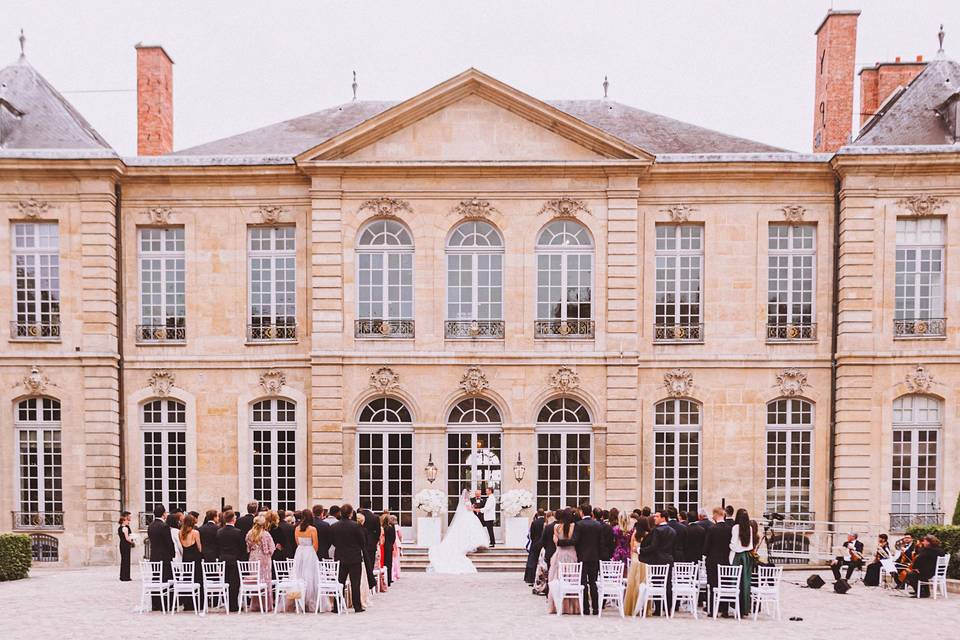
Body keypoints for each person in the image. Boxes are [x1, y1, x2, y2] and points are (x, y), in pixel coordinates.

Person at [427, 489, 489, 573]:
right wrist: (473, 508)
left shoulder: (466, 500)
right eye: (469, 493)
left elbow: (467, 508)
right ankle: (471, 543)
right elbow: (468, 509)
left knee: (469, 530)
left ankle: (474, 543)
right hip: (468, 516)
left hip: (468, 516)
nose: (470, 494)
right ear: (467, 495)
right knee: (469, 530)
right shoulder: (467, 500)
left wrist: (472, 507)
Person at [556, 503, 603, 615]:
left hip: (582, 557)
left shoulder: (579, 524)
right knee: (593, 583)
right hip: (594, 557)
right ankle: (595, 609)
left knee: (583, 584)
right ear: (591, 512)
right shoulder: (597, 525)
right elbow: (601, 543)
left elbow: (574, 541)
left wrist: (560, 542)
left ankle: (586, 609)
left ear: (582, 512)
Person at [638, 510, 676, 616]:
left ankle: (659, 608)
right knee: (667, 584)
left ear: (663, 518)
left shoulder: (657, 531)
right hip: (668, 559)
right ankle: (668, 608)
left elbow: (653, 547)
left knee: (657, 583)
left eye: (657, 516)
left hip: (658, 560)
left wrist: (640, 550)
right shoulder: (672, 531)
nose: (654, 518)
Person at [330, 504, 366, 612]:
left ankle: (337, 606)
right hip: (354, 557)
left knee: (339, 582)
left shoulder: (334, 526)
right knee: (355, 583)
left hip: (340, 556)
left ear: (341, 513)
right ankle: (357, 606)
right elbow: (362, 542)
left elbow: (332, 541)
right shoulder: (356, 526)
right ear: (351, 513)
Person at [547, 509, 580, 614]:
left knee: (558, 580)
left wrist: (559, 542)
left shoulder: (556, 527)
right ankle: (572, 607)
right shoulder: (574, 526)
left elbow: (556, 542)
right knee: (571, 580)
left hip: (559, 555)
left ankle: (557, 606)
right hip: (572, 555)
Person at [291, 509, 321, 612]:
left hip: (300, 552)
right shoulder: (312, 529)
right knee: (310, 576)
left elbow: (297, 543)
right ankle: (310, 600)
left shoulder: (297, 528)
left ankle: (299, 600)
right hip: (310, 552)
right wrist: (312, 554)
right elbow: (316, 545)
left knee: (299, 575)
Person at [703, 506, 731, 616]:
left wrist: (705, 553)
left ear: (716, 514)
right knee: (724, 583)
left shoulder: (712, 529)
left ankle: (712, 608)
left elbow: (706, 547)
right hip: (725, 559)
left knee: (713, 584)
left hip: (713, 560)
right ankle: (724, 609)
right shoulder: (729, 529)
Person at [216, 510, 246, 612]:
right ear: (233, 519)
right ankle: (233, 605)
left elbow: (218, 546)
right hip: (234, 559)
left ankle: (227, 603)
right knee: (235, 583)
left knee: (226, 582)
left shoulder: (219, 531)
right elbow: (242, 547)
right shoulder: (238, 532)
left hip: (223, 559)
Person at [245, 514, 276, 611]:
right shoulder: (266, 534)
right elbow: (272, 548)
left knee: (255, 579)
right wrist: (268, 554)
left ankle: (255, 604)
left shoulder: (249, 533)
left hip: (253, 557)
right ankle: (266, 605)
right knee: (265, 580)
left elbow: (248, 547)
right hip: (264, 558)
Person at [147, 505, 175, 611]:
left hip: (154, 556)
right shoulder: (164, 526)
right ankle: (165, 603)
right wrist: (172, 554)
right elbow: (169, 542)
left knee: (156, 578)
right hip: (164, 556)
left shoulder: (151, 526)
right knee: (166, 579)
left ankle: (155, 603)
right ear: (163, 514)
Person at [729, 508, 756, 615]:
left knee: (735, 582)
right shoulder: (749, 527)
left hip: (737, 556)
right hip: (747, 556)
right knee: (745, 582)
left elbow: (734, 544)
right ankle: (745, 607)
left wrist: (730, 546)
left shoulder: (736, 527)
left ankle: (736, 606)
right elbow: (750, 545)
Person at [624, 515, 650, 616]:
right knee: (644, 584)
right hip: (644, 560)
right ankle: (644, 608)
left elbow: (631, 547)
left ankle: (632, 607)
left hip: (635, 559)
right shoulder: (648, 534)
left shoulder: (635, 533)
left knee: (633, 584)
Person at [179, 513, 203, 611]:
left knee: (187, 579)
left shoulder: (180, 532)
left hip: (186, 558)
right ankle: (198, 603)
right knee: (197, 579)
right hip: (195, 558)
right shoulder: (195, 532)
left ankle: (188, 603)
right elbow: (199, 547)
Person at [357, 504, 382, 588]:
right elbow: (378, 532)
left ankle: (361, 583)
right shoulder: (375, 517)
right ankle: (369, 583)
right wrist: (374, 541)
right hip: (371, 544)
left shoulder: (359, 515)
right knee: (370, 564)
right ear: (370, 505)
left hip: (358, 544)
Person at [532, 511, 555, 596]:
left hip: (547, 550)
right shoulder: (556, 526)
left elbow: (543, 540)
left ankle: (544, 588)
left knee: (543, 570)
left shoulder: (547, 526)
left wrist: (536, 547)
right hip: (552, 550)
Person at [525, 509, 546, 584]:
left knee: (532, 561)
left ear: (537, 513)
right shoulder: (545, 522)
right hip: (543, 543)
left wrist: (533, 541)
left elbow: (532, 534)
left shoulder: (534, 522)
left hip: (535, 543)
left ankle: (531, 578)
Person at [381, 512, 397, 588]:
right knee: (389, 564)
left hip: (382, 547)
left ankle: (383, 579)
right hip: (389, 547)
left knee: (383, 563)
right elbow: (394, 538)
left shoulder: (382, 528)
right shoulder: (391, 527)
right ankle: (389, 580)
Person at [117, 511, 134, 582]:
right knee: (126, 560)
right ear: (124, 519)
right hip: (126, 545)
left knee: (124, 560)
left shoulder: (120, 527)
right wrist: (133, 542)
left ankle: (122, 576)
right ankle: (126, 577)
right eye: (127, 519)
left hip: (122, 544)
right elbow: (127, 538)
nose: (128, 521)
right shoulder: (125, 528)